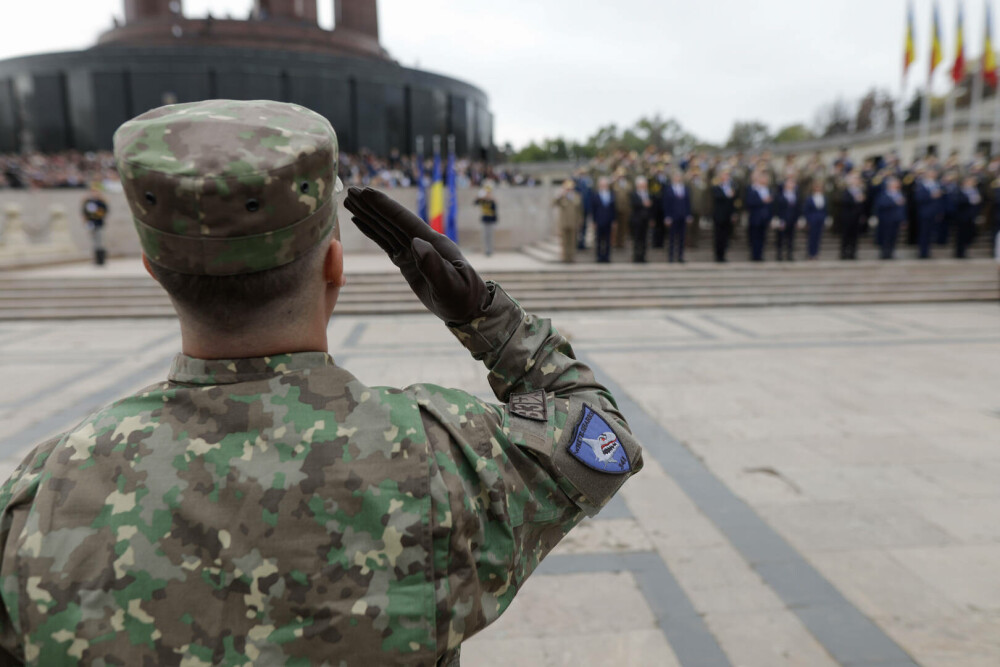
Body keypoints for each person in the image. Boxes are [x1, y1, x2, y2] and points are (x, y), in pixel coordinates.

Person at [0, 100, 643, 665]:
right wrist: (486, 317)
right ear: (334, 265)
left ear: (152, 267)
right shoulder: (445, 456)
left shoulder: (42, 494)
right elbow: (601, 434)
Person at [662, 169, 692, 263]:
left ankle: (680, 256)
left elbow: (688, 203)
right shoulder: (669, 189)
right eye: (676, 177)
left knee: (682, 238)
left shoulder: (685, 189)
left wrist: (688, 215)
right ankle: (671, 256)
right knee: (672, 238)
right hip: (672, 216)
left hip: (682, 216)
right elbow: (666, 204)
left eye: (679, 177)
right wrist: (667, 216)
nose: (677, 178)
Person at [874, 176, 907, 260]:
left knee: (894, 237)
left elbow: (902, 208)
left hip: (896, 219)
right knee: (886, 237)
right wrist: (894, 202)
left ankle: (891, 252)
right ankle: (885, 253)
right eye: (895, 184)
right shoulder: (884, 193)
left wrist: (903, 220)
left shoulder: (900, 194)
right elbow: (881, 205)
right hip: (886, 219)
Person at [744, 169, 773, 262]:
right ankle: (754, 255)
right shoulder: (753, 189)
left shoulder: (768, 189)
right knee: (755, 237)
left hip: (765, 217)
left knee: (762, 237)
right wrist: (762, 201)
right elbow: (749, 202)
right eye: (764, 178)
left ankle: (760, 255)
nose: (765, 180)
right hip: (755, 217)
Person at [915, 168, 944, 259]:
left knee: (931, 233)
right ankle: (922, 252)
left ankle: (927, 251)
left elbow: (941, 200)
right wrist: (931, 195)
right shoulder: (921, 185)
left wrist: (940, 211)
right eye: (931, 173)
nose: (933, 175)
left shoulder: (937, 184)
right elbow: (918, 198)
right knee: (924, 233)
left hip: (934, 212)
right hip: (925, 213)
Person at [710, 169, 738, 263]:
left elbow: (733, 202)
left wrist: (734, 213)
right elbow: (717, 197)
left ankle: (723, 255)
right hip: (719, 215)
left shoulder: (731, 187)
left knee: (726, 236)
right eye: (724, 175)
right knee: (718, 236)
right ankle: (718, 255)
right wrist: (727, 195)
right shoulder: (717, 186)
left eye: (727, 175)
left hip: (728, 215)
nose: (726, 177)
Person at [838, 171, 866, 260]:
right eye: (854, 179)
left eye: (857, 179)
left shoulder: (861, 191)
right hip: (847, 217)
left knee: (855, 237)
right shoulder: (845, 190)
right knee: (845, 236)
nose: (856, 180)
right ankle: (844, 253)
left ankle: (852, 253)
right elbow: (843, 201)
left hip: (857, 217)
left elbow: (863, 205)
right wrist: (855, 199)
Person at [554, 178, 583, 263]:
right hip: (564, 222)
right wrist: (560, 194)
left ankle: (571, 257)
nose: (569, 190)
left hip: (573, 222)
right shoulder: (562, 196)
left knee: (572, 241)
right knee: (564, 241)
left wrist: (580, 220)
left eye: (570, 188)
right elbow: (553, 203)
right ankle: (565, 258)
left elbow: (579, 210)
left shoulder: (577, 196)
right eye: (567, 188)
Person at [954, 175, 982, 259]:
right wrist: (970, 200)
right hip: (962, 217)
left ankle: (964, 250)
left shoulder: (975, 191)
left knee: (969, 234)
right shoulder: (960, 190)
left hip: (971, 216)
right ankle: (959, 253)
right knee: (961, 235)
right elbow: (958, 201)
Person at [773, 176, 800, 261]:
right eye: (789, 182)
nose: (791, 184)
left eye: (793, 183)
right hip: (782, 219)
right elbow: (776, 208)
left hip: (792, 219)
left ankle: (789, 254)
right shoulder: (779, 195)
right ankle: (779, 254)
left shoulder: (796, 195)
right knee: (780, 239)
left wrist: (798, 219)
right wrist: (778, 219)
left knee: (791, 238)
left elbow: (798, 208)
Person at [81, 183, 109, 265]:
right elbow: (84, 213)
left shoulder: (101, 202)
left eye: (96, 192)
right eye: (93, 192)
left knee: (100, 242)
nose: (94, 193)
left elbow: (104, 212)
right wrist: (86, 221)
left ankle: (101, 260)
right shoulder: (88, 202)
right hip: (91, 224)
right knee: (93, 242)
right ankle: (95, 259)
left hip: (99, 223)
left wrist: (96, 214)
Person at [590, 176, 616, 263]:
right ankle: (599, 256)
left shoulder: (611, 194)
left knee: (608, 240)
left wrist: (614, 220)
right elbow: (593, 209)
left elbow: (613, 209)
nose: (604, 186)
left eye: (605, 185)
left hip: (608, 221)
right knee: (599, 240)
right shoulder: (595, 195)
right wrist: (594, 221)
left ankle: (607, 256)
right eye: (602, 185)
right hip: (599, 221)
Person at [629, 176, 655, 263]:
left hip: (646, 220)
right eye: (641, 185)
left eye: (644, 185)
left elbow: (651, 208)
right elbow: (633, 204)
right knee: (637, 239)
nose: (643, 186)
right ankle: (636, 256)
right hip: (637, 220)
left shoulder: (648, 194)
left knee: (644, 240)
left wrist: (651, 219)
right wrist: (643, 203)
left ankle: (643, 256)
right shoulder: (634, 194)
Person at [803, 180, 828, 260]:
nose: (818, 188)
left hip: (820, 219)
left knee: (818, 237)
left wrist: (826, 218)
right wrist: (808, 220)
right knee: (811, 237)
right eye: (817, 187)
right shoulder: (809, 198)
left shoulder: (824, 197)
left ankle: (816, 253)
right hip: (812, 219)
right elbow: (806, 210)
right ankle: (811, 253)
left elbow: (825, 209)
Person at [474, 183, 498, 256]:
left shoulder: (492, 201)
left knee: (490, 235)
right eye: (487, 193)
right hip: (484, 219)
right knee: (485, 235)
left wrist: (495, 220)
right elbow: (475, 203)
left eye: (489, 193)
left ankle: (490, 250)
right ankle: (485, 250)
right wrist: (479, 197)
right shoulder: (483, 201)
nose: (488, 194)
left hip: (490, 219)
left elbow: (495, 211)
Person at [612, 169, 632, 250]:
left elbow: (630, 193)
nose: (621, 177)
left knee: (624, 226)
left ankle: (622, 242)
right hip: (616, 208)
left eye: (622, 176)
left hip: (626, 208)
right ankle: (616, 242)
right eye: (619, 176)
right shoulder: (614, 184)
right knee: (616, 227)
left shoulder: (628, 184)